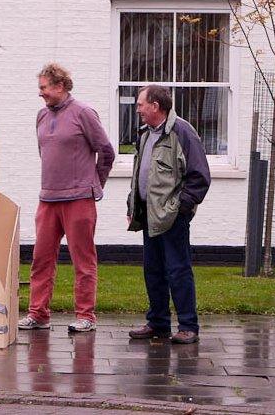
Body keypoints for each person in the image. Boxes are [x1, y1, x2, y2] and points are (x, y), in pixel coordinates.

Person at [18, 63, 115, 333]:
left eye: (44, 88)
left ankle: (86, 316)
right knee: (41, 259)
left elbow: (106, 151)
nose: (41, 94)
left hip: (79, 199)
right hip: (47, 199)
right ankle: (38, 314)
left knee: (83, 260)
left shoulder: (83, 113)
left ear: (60, 86)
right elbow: (45, 153)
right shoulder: (41, 116)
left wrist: (95, 184)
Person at [126, 85, 211, 344]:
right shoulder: (145, 134)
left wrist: (179, 208)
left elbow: (199, 177)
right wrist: (133, 205)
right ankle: (158, 323)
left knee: (178, 270)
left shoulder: (182, 132)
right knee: (153, 271)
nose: (138, 108)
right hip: (149, 215)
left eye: (141, 104)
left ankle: (188, 326)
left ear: (155, 106)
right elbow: (140, 173)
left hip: (172, 217)